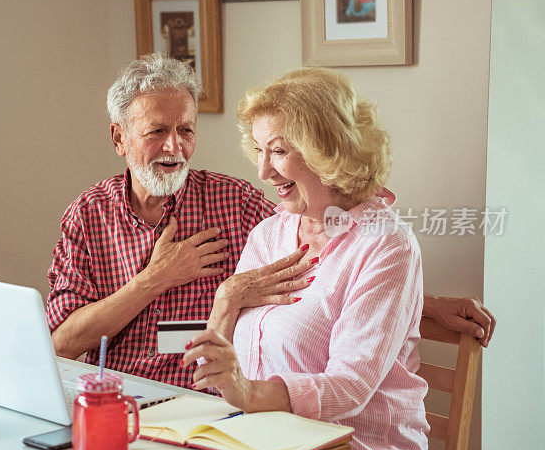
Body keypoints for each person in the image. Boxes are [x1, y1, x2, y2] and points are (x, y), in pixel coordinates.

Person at [46, 53, 495, 391]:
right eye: (157, 132)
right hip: (120, 400)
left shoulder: (235, 203)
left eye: (186, 130)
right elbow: (62, 344)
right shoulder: (87, 216)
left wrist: (425, 301)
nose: (175, 147)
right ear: (119, 138)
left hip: (211, 400)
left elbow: (330, 262)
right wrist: (155, 279)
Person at [183, 68, 431, 450]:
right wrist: (226, 302)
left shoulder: (387, 246)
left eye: (278, 152)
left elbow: (349, 387)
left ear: (328, 150)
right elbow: (220, 367)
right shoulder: (269, 234)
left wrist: (249, 393)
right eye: (259, 151)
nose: (263, 171)